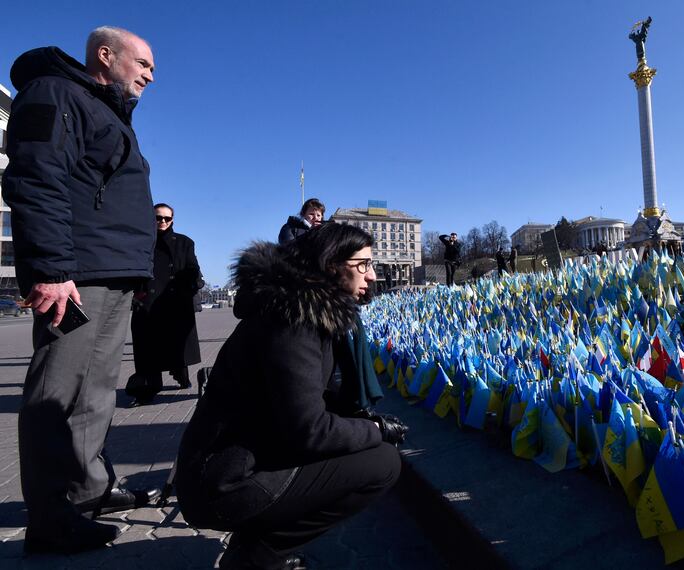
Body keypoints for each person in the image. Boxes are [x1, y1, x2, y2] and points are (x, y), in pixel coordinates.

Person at [2, 27, 160, 553]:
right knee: (57, 393)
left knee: (96, 392)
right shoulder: (55, 93)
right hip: (74, 278)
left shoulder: (105, 110)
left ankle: (88, 490)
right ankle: (49, 519)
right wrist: (49, 267)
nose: (150, 74)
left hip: (110, 274)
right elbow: (34, 177)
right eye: (143, 62)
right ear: (105, 54)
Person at [176, 223, 407, 570]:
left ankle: (255, 544)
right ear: (331, 266)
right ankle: (256, 555)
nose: (372, 275)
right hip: (224, 483)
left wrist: (359, 422)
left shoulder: (293, 310)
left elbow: (304, 401)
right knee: (382, 464)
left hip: (235, 462)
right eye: (363, 264)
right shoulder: (293, 323)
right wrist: (374, 430)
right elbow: (310, 430)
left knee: (365, 447)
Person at [128, 203, 204, 402]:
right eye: (158, 218)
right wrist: (137, 294)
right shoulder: (140, 243)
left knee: (176, 347)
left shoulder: (184, 242)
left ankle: (181, 375)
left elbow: (192, 267)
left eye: (166, 218)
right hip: (148, 303)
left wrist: (192, 285)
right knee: (147, 350)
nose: (162, 222)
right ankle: (146, 390)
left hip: (175, 301)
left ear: (172, 220)